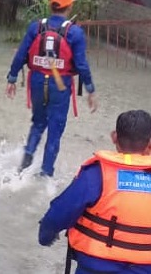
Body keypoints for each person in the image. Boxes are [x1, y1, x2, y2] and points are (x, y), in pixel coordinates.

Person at [38, 110, 151, 274]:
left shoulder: (96, 175)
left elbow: (61, 212)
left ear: (114, 137)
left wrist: (45, 236)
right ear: (149, 144)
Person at [6, 0, 98, 177]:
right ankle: (45, 175)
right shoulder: (75, 33)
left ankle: (25, 161)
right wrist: (90, 90)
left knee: (38, 123)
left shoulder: (36, 27)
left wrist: (12, 78)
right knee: (55, 131)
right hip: (61, 85)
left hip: (38, 82)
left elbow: (21, 55)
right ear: (69, 6)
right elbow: (81, 65)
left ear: (51, 6)